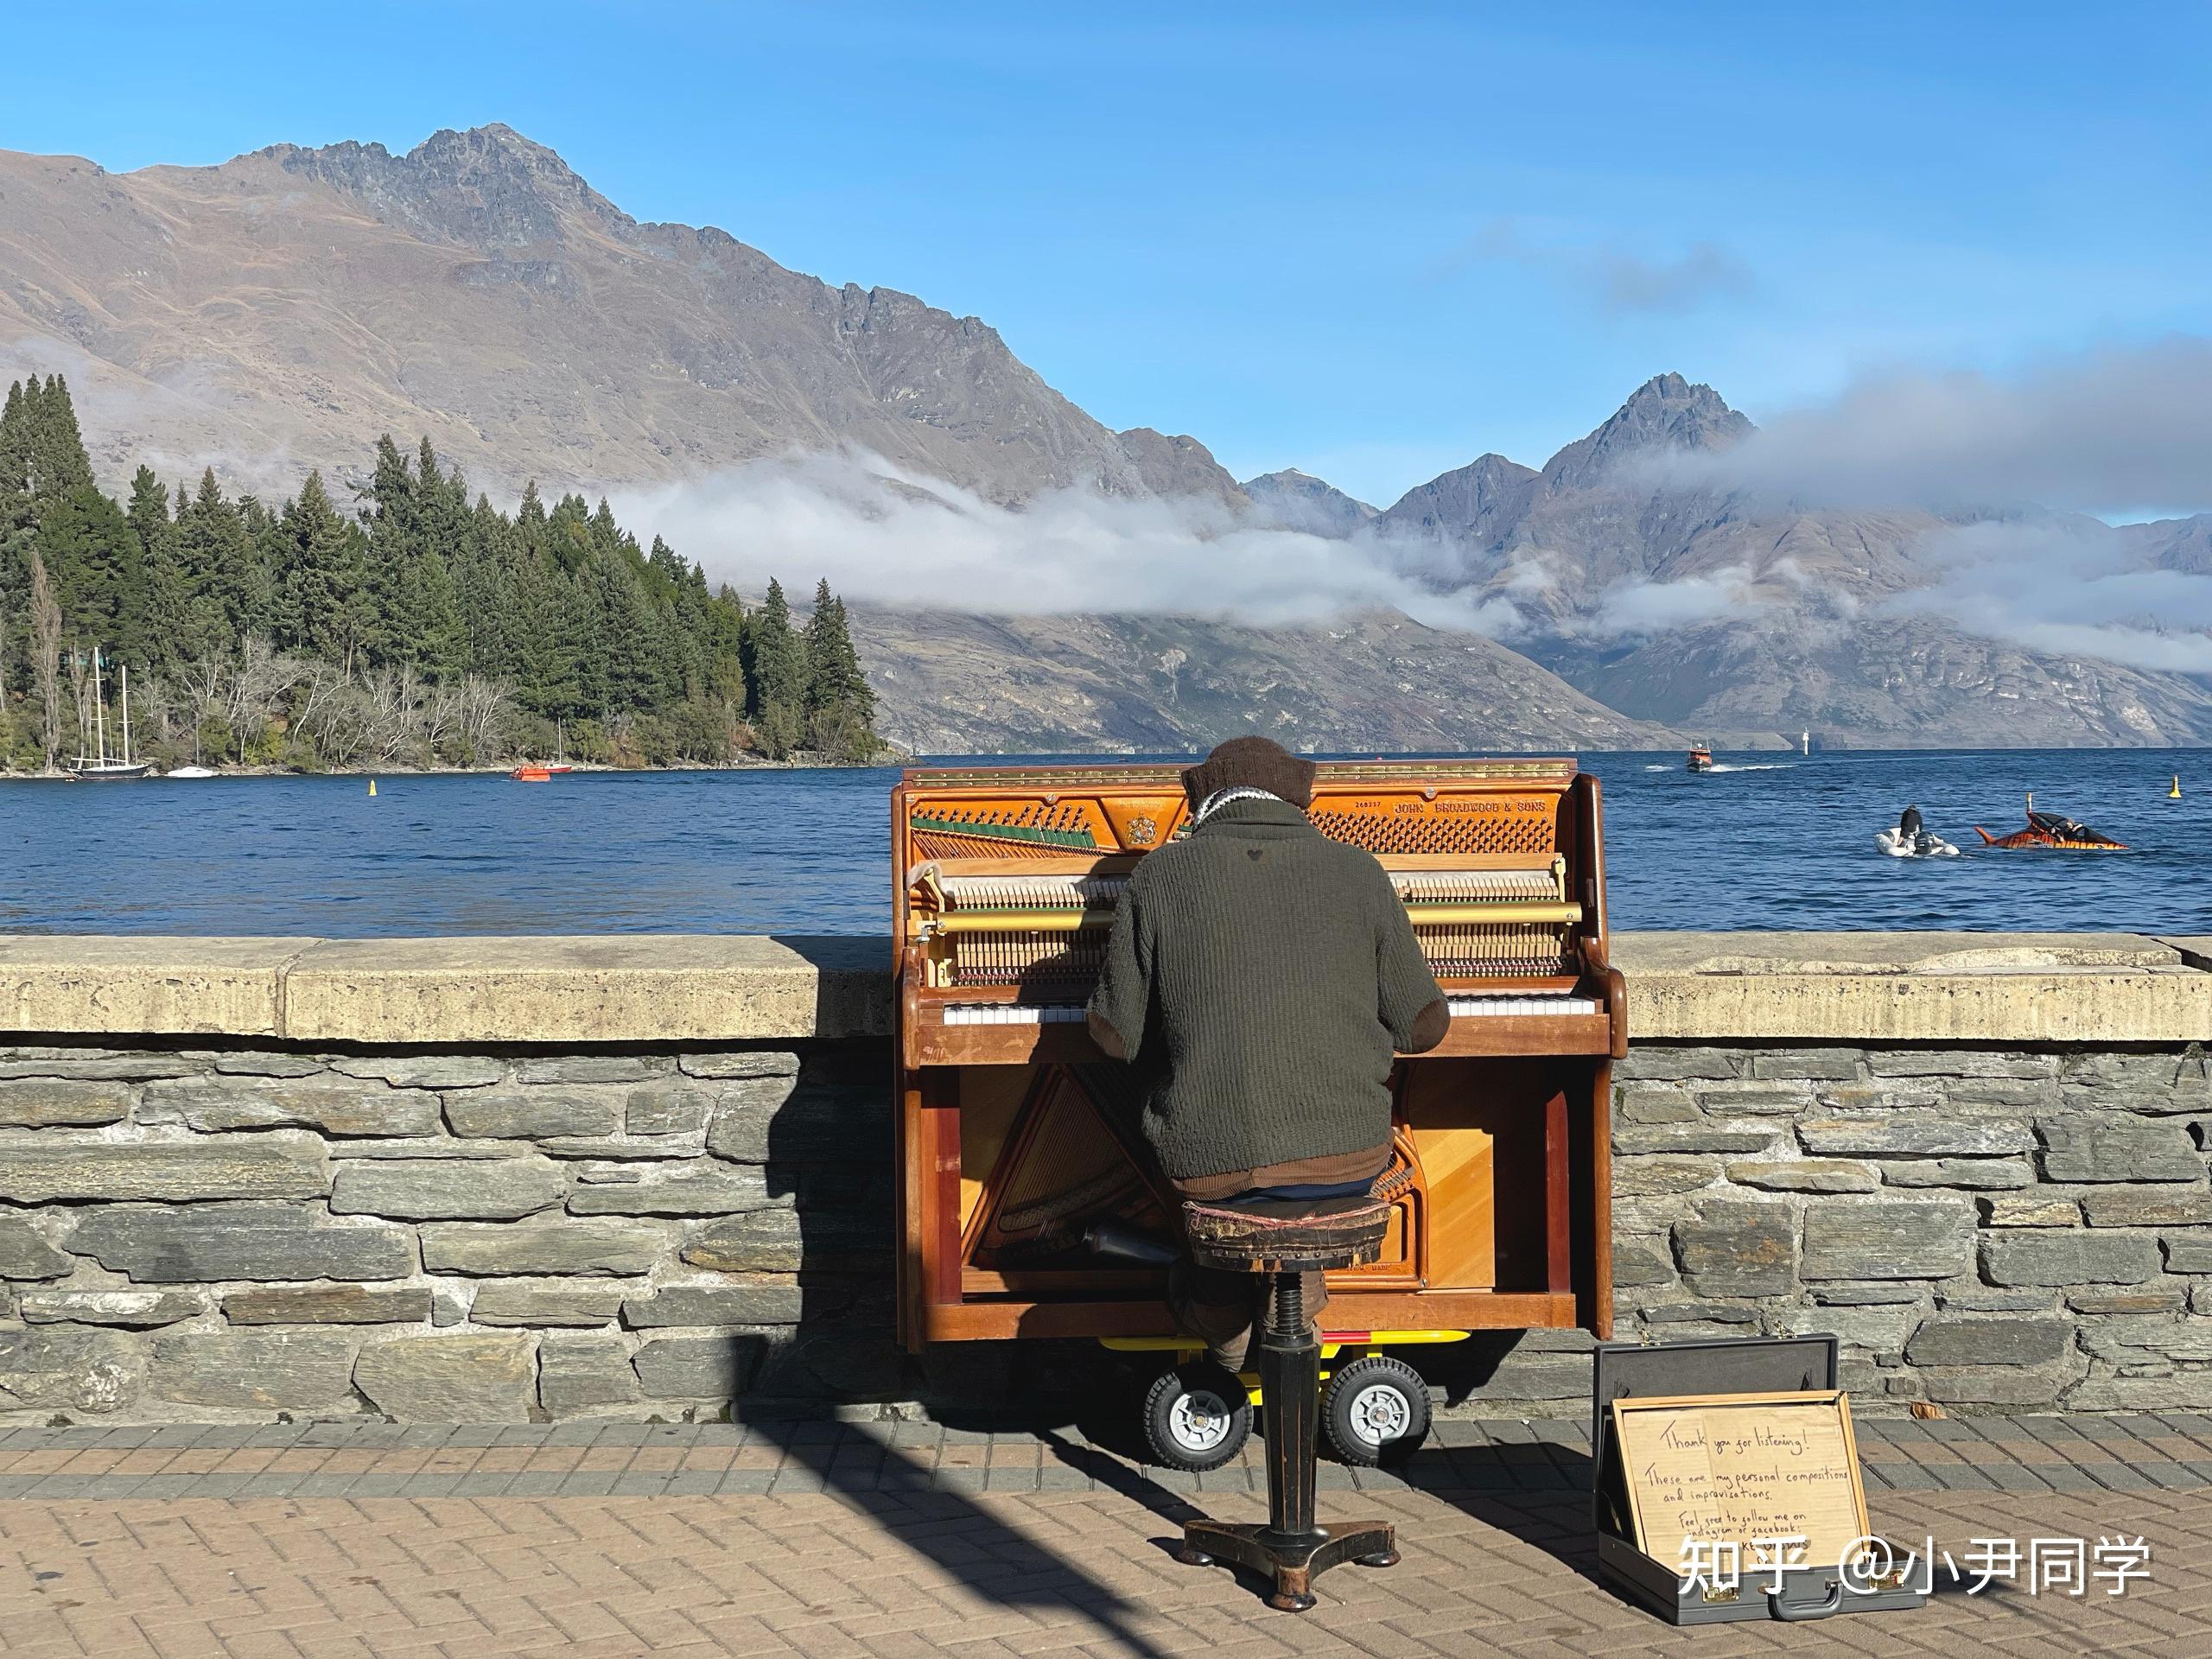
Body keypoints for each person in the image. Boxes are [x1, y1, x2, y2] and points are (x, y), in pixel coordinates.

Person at [1084, 735, 1449, 1368]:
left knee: (1161, 1111)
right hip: (1349, 1158)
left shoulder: (1161, 873)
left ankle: (1222, 1315)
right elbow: (1424, 1027)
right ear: (1296, 799)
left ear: (1205, 804)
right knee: (1288, 1150)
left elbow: (1117, 1036)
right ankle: (1297, 1292)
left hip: (1213, 1163)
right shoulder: (1359, 870)